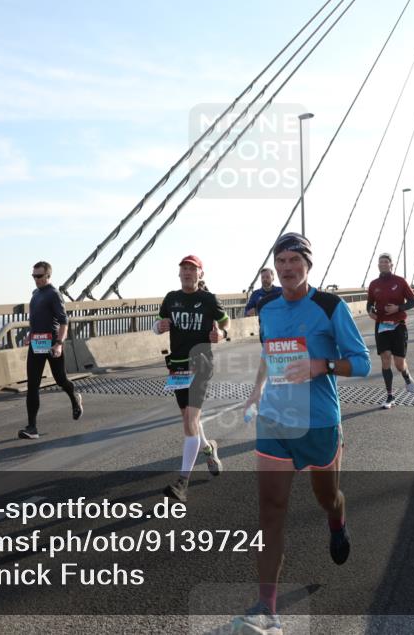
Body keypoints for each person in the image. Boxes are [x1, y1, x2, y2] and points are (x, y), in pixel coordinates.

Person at [234, 233, 370, 635]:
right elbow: (267, 352)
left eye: (295, 260)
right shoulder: (269, 307)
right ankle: (267, 608)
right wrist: (257, 390)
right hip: (276, 419)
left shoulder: (330, 306)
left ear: (308, 265)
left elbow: (360, 362)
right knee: (271, 511)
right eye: (281, 260)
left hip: (319, 421)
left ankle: (337, 519)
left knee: (326, 496)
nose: (287, 267)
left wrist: (320, 366)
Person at [154, 255, 230, 502]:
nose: (187, 272)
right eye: (184, 269)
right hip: (177, 365)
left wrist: (222, 332)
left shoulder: (208, 299)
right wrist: (158, 327)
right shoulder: (171, 298)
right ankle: (209, 448)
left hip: (201, 364)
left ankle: (182, 482)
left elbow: (226, 321)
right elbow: (158, 324)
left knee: (190, 419)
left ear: (200, 274)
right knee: (188, 418)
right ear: (179, 274)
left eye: (192, 269)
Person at [19, 261, 83, 440]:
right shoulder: (35, 294)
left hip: (52, 344)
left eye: (39, 276)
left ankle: (74, 398)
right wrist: (30, 335)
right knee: (33, 385)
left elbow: (64, 321)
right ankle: (32, 427)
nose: (36, 279)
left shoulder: (54, 294)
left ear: (48, 276)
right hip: (36, 344)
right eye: (34, 276)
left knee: (60, 379)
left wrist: (59, 343)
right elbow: (37, 319)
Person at [367, 253, 414, 409]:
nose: (383, 264)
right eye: (380, 262)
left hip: (398, 325)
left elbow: (413, 301)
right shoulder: (373, 284)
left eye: (386, 262)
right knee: (385, 358)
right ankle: (390, 396)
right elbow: (369, 304)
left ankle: (406, 376)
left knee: (399, 363)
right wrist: (370, 311)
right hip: (381, 325)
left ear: (391, 265)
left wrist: (398, 308)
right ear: (378, 265)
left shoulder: (400, 281)